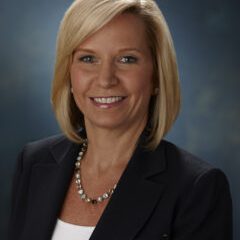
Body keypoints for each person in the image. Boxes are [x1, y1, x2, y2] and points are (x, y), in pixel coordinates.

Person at [8, 0, 232, 239]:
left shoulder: (196, 189)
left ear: (157, 76)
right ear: (68, 72)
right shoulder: (34, 163)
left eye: (127, 59)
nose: (105, 79)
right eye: (88, 59)